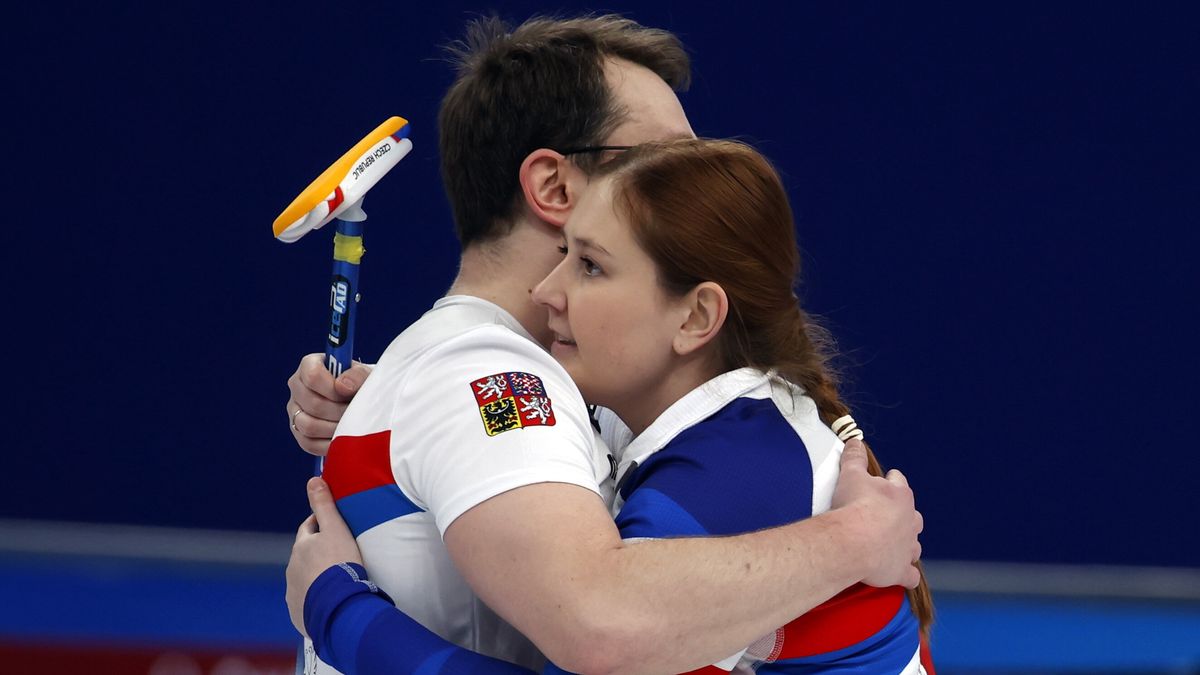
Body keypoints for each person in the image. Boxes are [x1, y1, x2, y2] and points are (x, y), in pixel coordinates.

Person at [284, 14, 924, 675]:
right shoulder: (495, 378)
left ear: (697, 317)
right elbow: (598, 621)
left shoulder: (692, 436)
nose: (693, 181)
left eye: (591, 266)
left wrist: (337, 606)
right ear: (556, 188)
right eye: (663, 159)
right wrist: (851, 541)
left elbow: (600, 627)